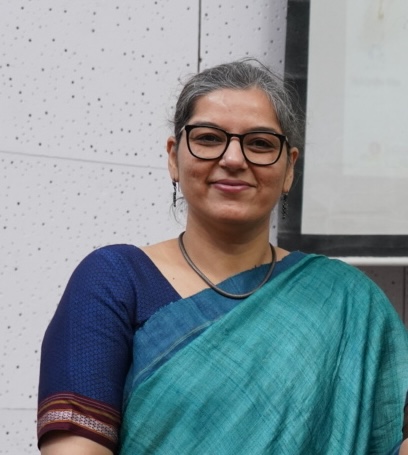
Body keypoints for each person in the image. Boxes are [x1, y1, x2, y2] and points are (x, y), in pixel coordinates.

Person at [37, 60, 408, 454]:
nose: (233, 159)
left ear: (289, 169)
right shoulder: (114, 280)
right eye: (209, 138)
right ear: (173, 156)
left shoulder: (348, 300)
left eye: (260, 143)